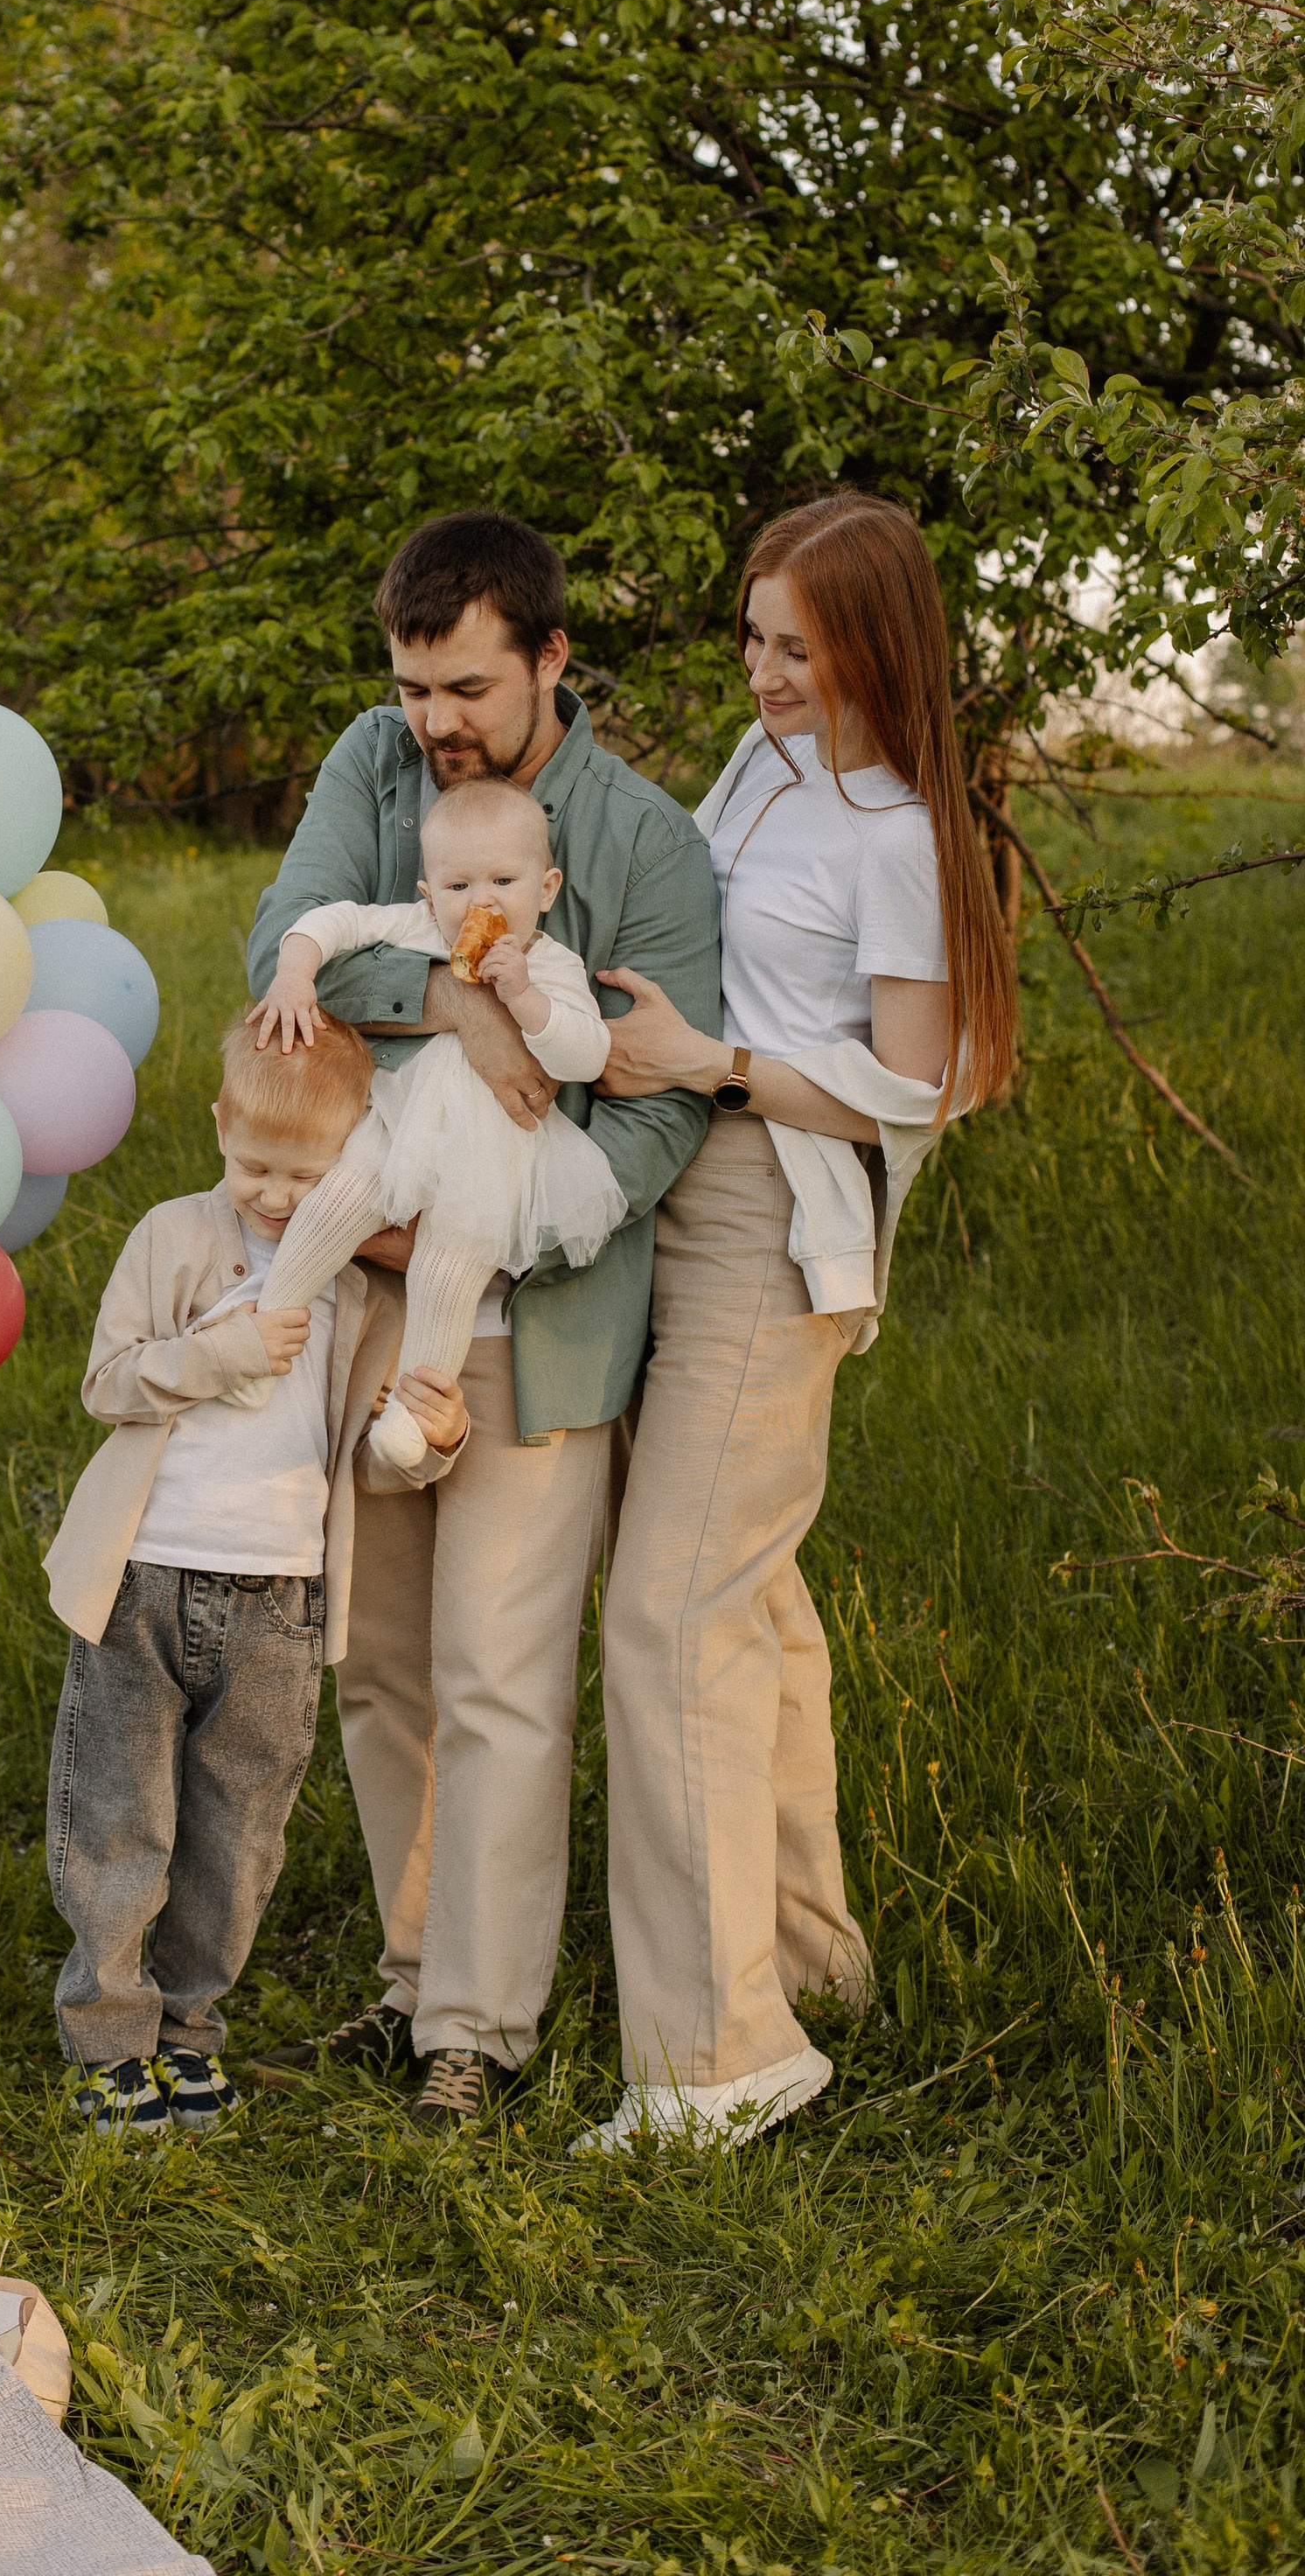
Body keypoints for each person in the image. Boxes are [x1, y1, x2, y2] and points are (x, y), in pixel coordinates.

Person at [246, 509, 722, 2126]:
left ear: (551, 661)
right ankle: (407, 1974)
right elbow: (280, 949)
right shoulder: (370, 771)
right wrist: (448, 992)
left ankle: (479, 2029)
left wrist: (503, 1218)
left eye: (463, 687)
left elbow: (658, 1112)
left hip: (540, 1298)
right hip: (368, 1258)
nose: (434, 721)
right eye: (409, 686)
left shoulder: (646, 842)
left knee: (501, 1667)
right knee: (378, 1659)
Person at [583, 491, 1018, 2149]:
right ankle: (812, 1961)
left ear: (873, 646)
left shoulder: (902, 832)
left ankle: (719, 2063)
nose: (763, 675)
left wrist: (714, 1066)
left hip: (779, 1214)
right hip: (680, 1185)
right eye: (753, 638)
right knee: (748, 1608)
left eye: (797, 646)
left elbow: (923, 1082)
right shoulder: (770, 766)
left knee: (672, 1614)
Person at [40, 1009, 468, 2140]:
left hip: (278, 1597)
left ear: (355, 1160)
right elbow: (109, 1382)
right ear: (221, 1126)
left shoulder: (363, 1290)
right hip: (144, 1575)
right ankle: (109, 2039)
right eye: (254, 1166)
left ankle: (189, 2031)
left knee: (237, 1833)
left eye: (307, 1173)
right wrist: (221, 1353)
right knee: (120, 1818)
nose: (277, 1196)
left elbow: (378, 1453)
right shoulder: (173, 1236)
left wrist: (435, 1434)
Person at [248, 774, 625, 1480]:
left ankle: (414, 1417)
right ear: (428, 895)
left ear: (545, 890)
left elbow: (586, 1054)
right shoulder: (420, 930)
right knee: (330, 1205)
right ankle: (267, 1328)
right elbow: (334, 922)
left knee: (445, 1274)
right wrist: (296, 972)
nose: (481, 901)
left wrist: (523, 997)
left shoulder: (551, 964)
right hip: (397, 1124)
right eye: (457, 887)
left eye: (503, 881)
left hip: (493, 1158)